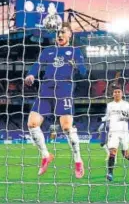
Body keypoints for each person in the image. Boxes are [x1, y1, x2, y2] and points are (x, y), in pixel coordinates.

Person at [24, 22, 87, 178]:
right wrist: (31, 74)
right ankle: (46, 156)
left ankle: (78, 160)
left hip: (64, 90)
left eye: (63, 32)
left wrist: (77, 65)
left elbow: (84, 72)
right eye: (58, 32)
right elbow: (37, 65)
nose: (59, 34)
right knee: (32, 124)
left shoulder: (75, 51)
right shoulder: (48, 51)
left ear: (70, 35)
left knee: (66, 128)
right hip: (45, 90)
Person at [104, 87, 129, 181]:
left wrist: (127, 115)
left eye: (119, 92)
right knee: (112, 152)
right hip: (113, 132)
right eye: (115, 92)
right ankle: (110, 173)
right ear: (113, 94)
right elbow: (107, 117)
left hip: (124, 132)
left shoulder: (126, 105)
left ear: (122, 93)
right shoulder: (109, 105)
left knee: (125, 154)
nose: (117, 93)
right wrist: (102, 120)